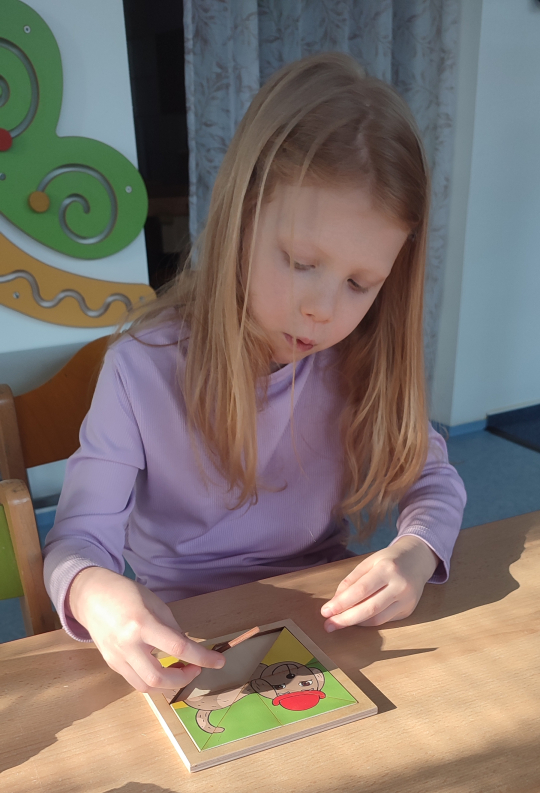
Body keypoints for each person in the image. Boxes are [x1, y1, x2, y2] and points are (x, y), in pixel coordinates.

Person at [44, 52, 466, 696]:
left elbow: (433, 478)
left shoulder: (357, 361)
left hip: (326, 615)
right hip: (185, 628)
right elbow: (77, 539)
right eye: (299, 261)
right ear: (240, 220)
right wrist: (91, 588)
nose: (322, 309)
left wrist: (417, 550)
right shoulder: (139, 368)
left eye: (360, 284)